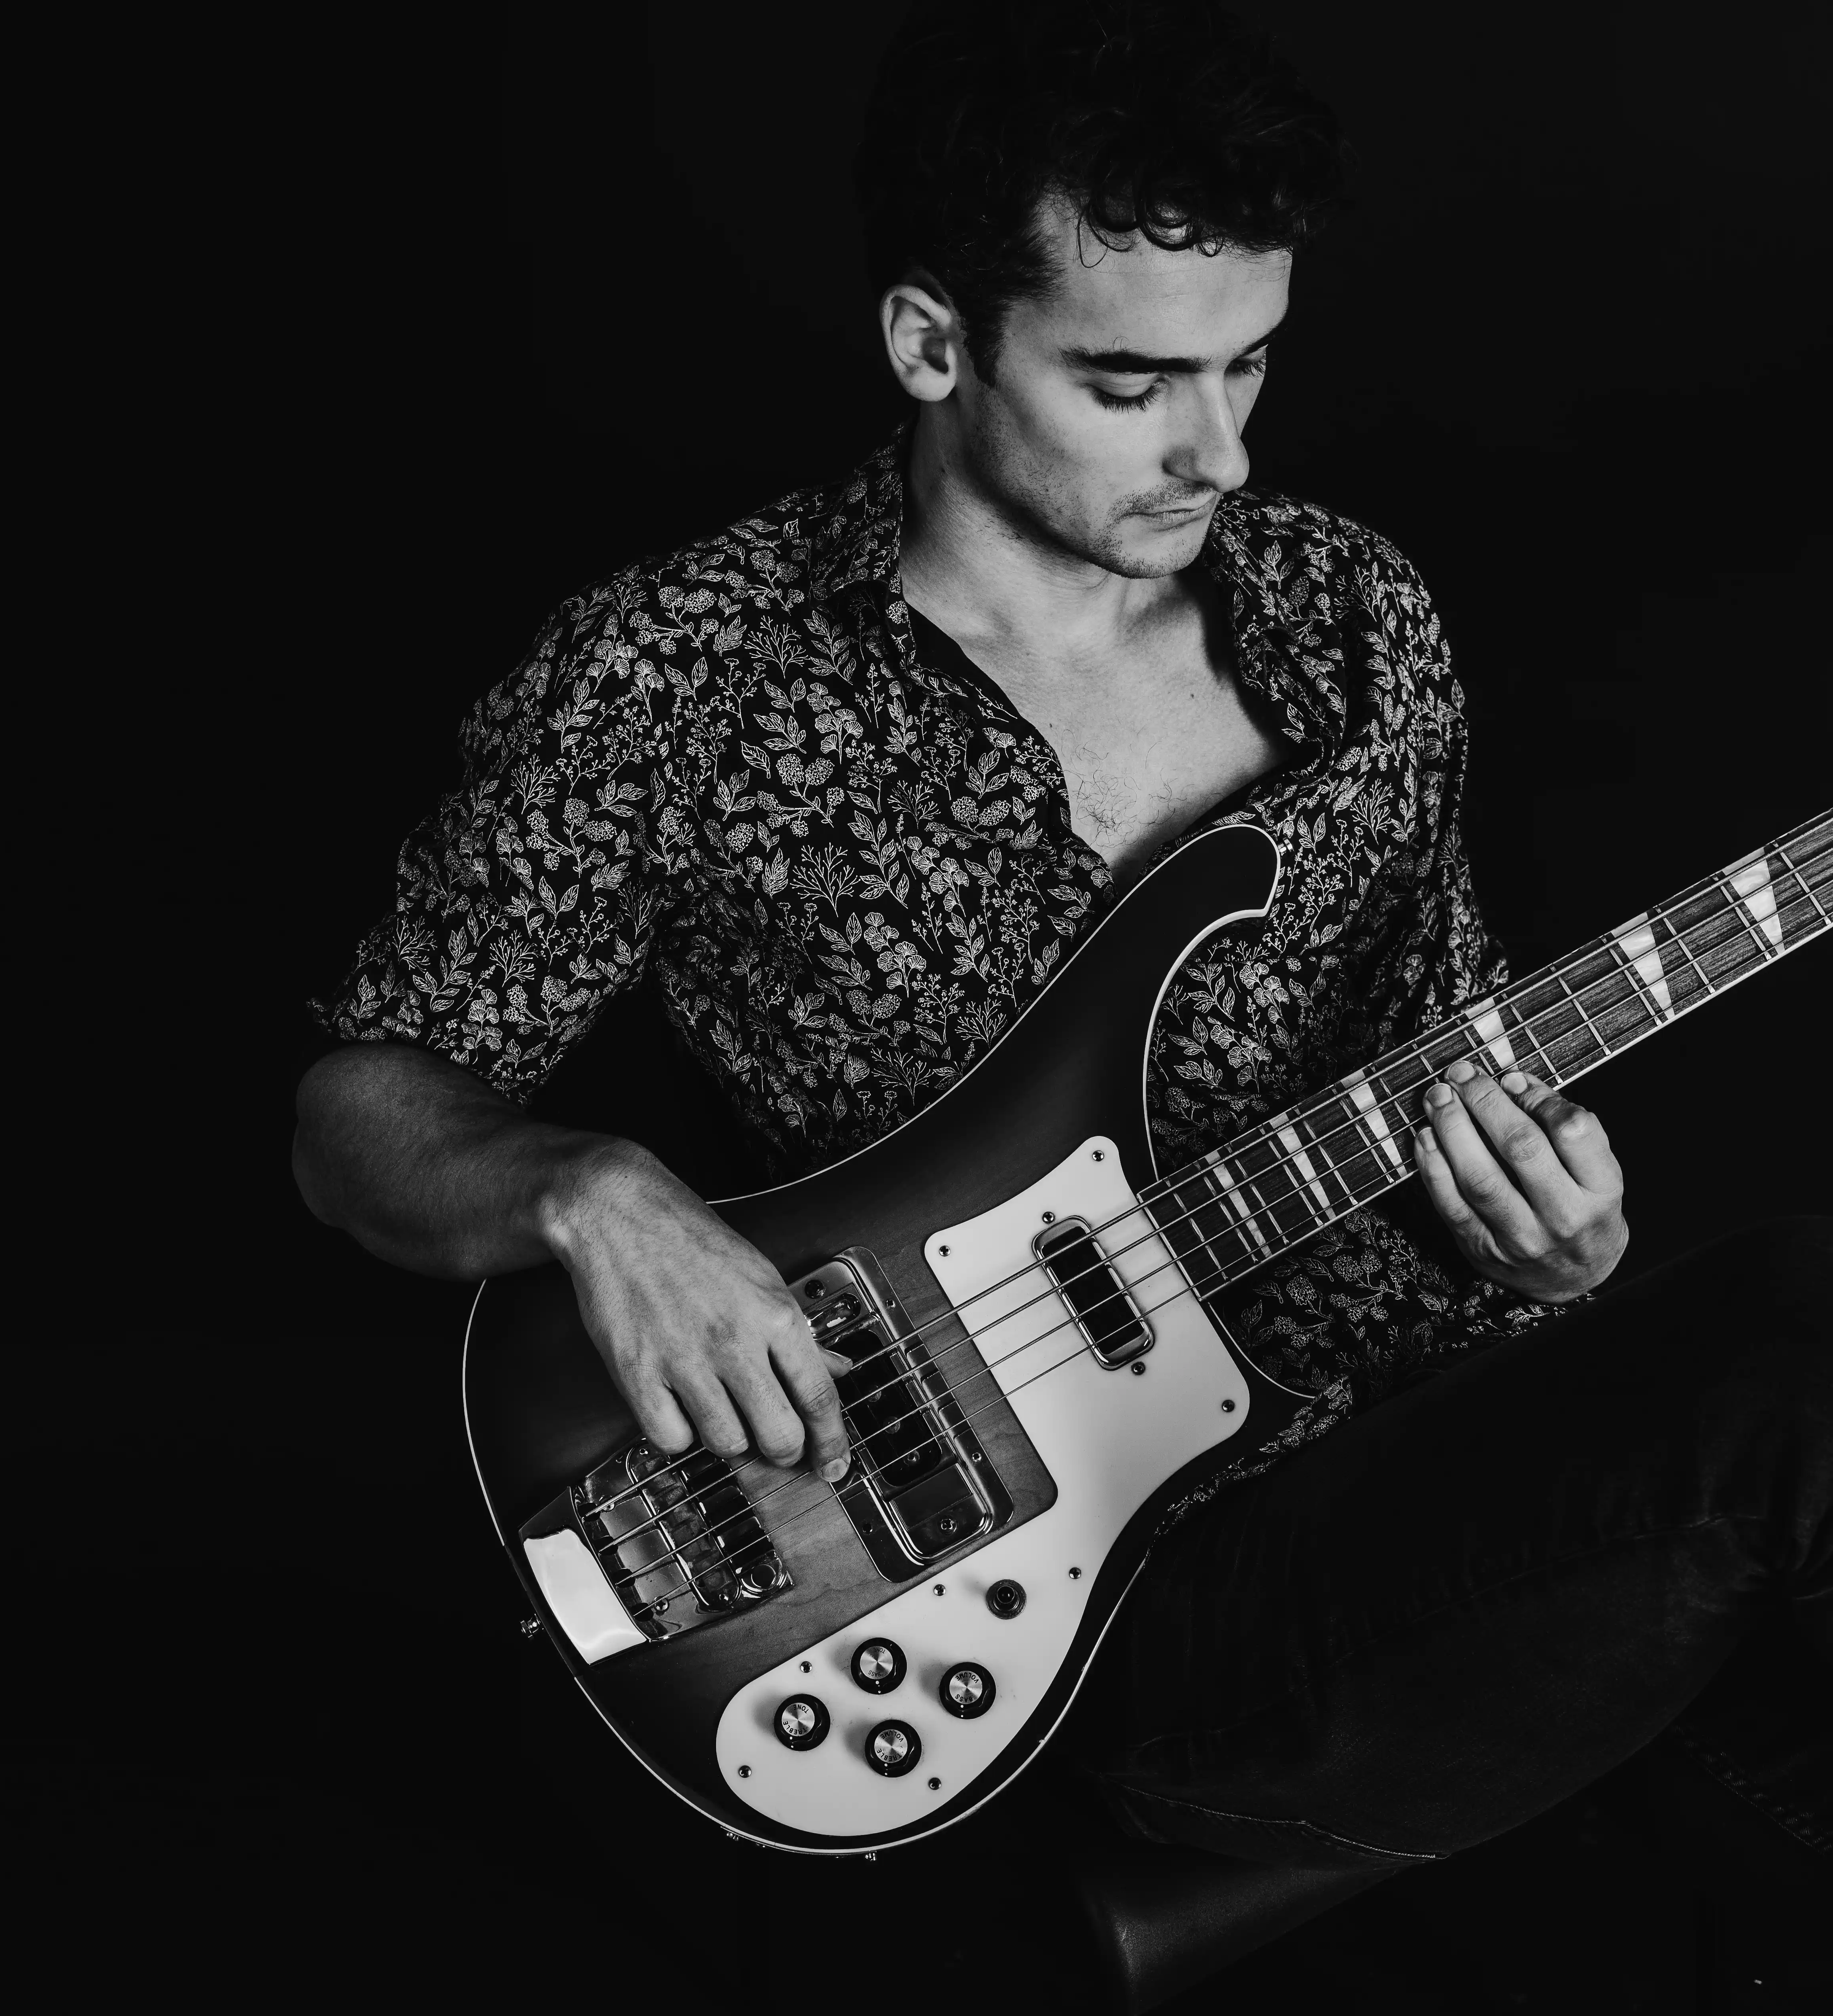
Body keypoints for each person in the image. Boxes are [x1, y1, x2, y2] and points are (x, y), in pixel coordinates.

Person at [293, 0, 1828, 1874]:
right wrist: (589, 1193)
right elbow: (355, 1110)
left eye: (1249, 370)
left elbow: (1454, 1084)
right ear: (935, 341)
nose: (1221, 457)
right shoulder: (675, 674)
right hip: (1042, 1589)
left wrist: (1552, 1251)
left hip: (1410, 1482)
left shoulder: (1351, 622)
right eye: (1132, 388)